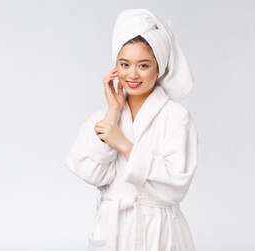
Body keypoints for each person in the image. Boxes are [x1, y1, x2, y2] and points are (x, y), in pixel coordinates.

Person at [65, 9, 198, 251]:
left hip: (160, 233)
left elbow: (176, 185)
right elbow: (90, 172)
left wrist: (124, 145)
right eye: (124, 64)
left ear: (159, 68)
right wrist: (113, 114)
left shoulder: (176, 117)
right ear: (115, 67)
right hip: (114, 231)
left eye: (144, 65)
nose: (133, 74)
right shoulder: (104, 118)